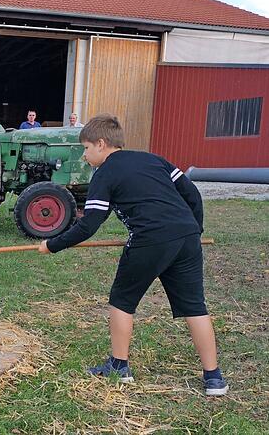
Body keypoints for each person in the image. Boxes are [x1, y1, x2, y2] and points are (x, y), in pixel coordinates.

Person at [38, 114, 228, 397]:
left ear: (101, 144)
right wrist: (194, 229)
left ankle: (119, 366)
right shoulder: (153, 159)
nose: (85, 154)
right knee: (195, 306)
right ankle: (214, 378)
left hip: (150, 240)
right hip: (187, 238)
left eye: (86, 148)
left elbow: (90, 224)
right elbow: (191, 193)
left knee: (122, 301)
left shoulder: (104, 173)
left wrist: (53, 245)